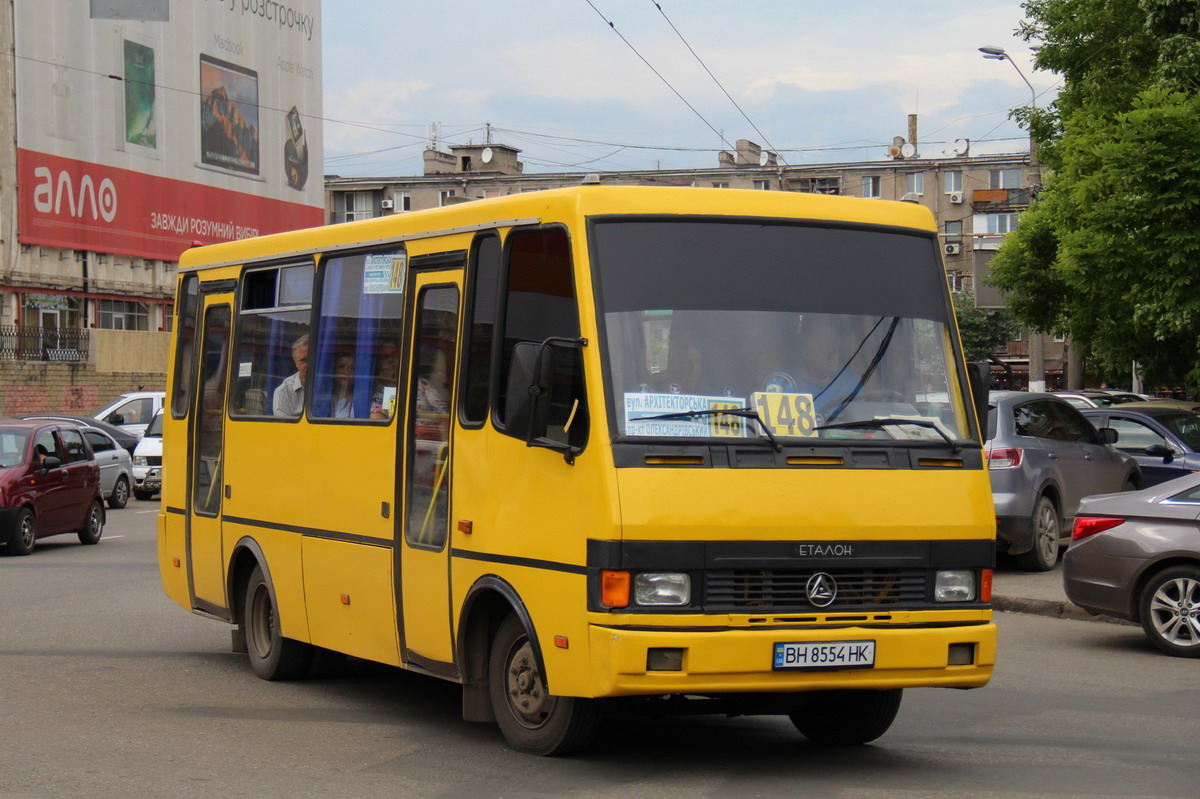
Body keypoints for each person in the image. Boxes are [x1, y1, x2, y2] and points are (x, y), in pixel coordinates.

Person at [273, 333, 308, 417]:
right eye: (303, 360)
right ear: (296, 364)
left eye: (311, 358)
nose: (309, 363)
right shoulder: (283, 392)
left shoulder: (329, 385)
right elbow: (284, 428)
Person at [369, 341, 401, 419]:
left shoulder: (421, 384)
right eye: (385, 356)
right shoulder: (373, 389)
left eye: (393, 354)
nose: (390, 360)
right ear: (378, 361)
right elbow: (377, 423)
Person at [330, 352, 356, 418]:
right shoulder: (323, 398)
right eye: (341, 366)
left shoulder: (360, 400)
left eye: (352, 368)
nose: (346, 372)